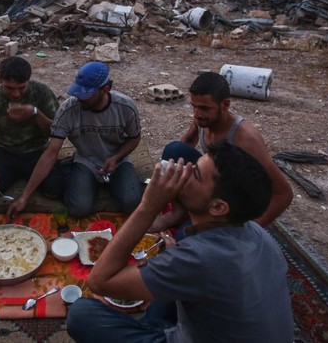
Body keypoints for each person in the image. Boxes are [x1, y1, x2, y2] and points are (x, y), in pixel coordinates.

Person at [66, 141, 294, 343]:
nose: (182, 170)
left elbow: (99, 281)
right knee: (182, 243)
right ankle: (155, 323)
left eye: (194, 173)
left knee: (82, 315)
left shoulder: (198, 258)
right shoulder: (255, 231)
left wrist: (148, 206)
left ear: (217, 207)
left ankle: (155, 326)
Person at [152, 71, 293, 229]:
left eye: (204, 108)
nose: (197, 114)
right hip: (214, 179)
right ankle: (178, 213)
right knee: (174, 150)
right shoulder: (202, 119)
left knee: (186, 236)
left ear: (225, 105)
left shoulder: (246, 138)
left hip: (232, 196)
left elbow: (283, 194)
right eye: (194, 107)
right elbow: (188, 142)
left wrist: (251, 230)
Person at [6, 61, 143, 219]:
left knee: (131, 202)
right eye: (77, 93)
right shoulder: (68, 110)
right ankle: (77, 174)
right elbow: (51, 153)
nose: (79, 99)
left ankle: (99, 182)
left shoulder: (125, 107)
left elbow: (134, 138)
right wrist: (24, 197)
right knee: (79, 208)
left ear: (105, 89)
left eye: (85, 96)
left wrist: (116, 157)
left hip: (118, 160)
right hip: (86, 161)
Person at [0, 56, 64, 198]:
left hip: (38, 151)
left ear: (28, 80)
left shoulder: (41, 92)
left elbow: (54, 132)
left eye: (21, 88)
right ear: (0, 79)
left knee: (55, 189)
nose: (16, 94)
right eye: (9, 88)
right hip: (6, 151)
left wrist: (35, 113)